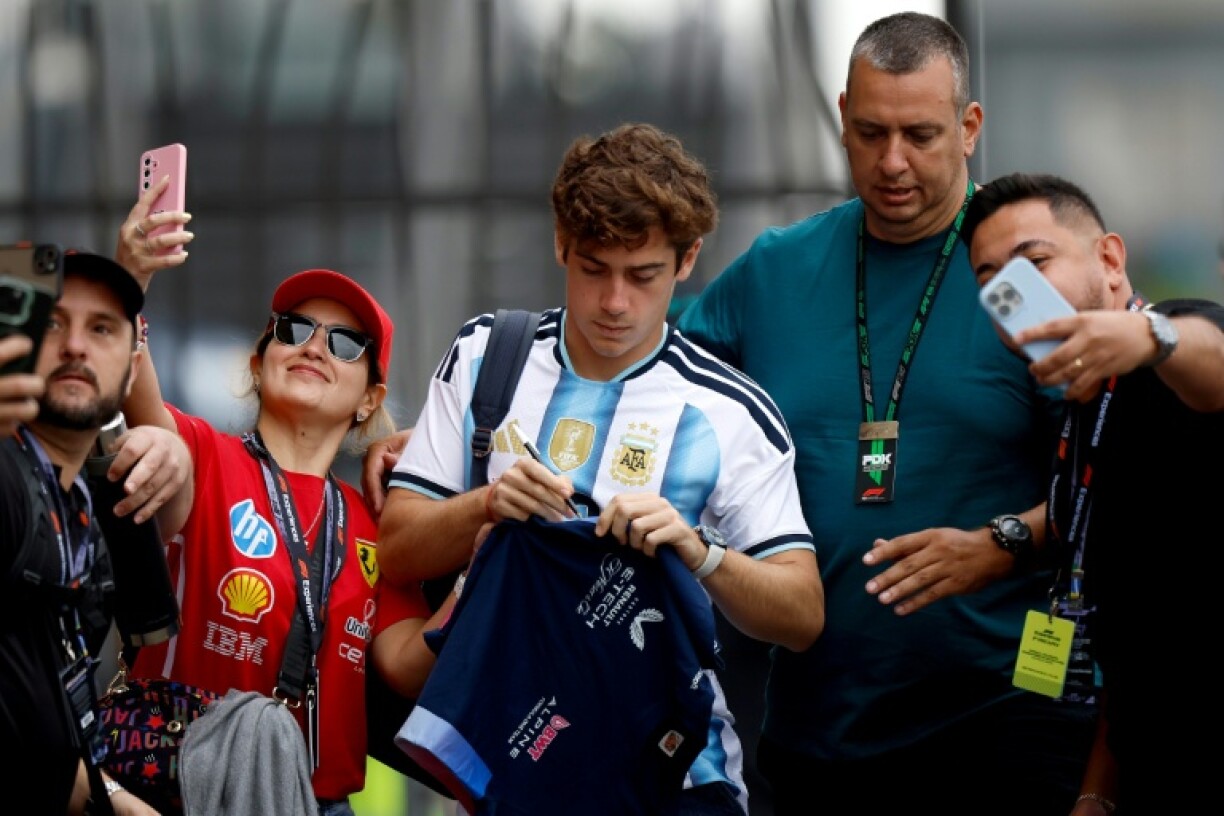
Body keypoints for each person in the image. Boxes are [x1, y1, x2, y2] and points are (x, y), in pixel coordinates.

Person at [676, 11, 1095, 815]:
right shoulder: (776, 271)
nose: (892, 162)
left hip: (998, 719)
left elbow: (1108, 474)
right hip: (812, 731)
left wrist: (1002, 544)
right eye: (869, 132)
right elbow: (640, 376)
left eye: (920, 135)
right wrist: (448, 437)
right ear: (841, 117)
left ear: (970, 128)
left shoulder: (1011, 280)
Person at [376, 122, 824, 814]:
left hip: (681, 783)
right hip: (517, 773)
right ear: (560, 243)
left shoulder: (729, 410)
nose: (615, 302)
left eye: (642, 275)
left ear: (687, 260)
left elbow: (801, 614)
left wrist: (696, 550)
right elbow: (396, 548)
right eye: (593, 269)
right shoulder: (485, 356)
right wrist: (488, 504)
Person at [113, 182, 453, 816]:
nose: (315, 346)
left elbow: (405, 664)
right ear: (259, 359)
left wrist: (486, 556)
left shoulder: (373, 523)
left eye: (346, 343)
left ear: (369, 400)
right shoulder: (203, 455)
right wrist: (129, 281)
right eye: (294, 328)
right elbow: (135, 395)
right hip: (184, 794)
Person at [962, 171, 1224, 815]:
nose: (1011, 291)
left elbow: (1213, 362)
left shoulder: (1165, 341)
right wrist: (1098, 790)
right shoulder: (1085, 399)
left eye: (1034, 263)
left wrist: (1148, 339)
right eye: (991, 280)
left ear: (1110, 259)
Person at [1, 250, 191, 815]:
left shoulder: (86, 505)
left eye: (101, 328)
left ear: (132, 370)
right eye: (53, 323)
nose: (76, 346)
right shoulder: (10, 480)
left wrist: (118, 803)